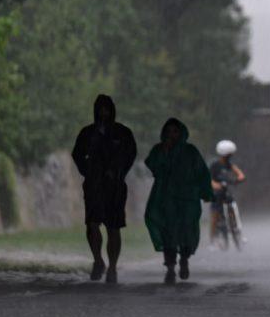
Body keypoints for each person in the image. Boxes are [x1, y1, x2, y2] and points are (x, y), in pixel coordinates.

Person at [71, 94, 137, 284]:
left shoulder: (122, 133)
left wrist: (119, 172)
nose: (103, 113)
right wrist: (89, 172)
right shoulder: (87, 133)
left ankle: (113, 267)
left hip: (114, 187)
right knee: (92, 224)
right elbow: (77, 154)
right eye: (100, 109)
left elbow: (130, 154)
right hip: (93, 186)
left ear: (112, 110)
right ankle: (98, 260)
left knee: (113, 227)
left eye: (106, 108)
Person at [144, 118, 213, 283]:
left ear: (181, 132)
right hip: (165, 198)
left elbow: (202, 172)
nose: (172, 135)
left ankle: (184, 259)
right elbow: (153, 166)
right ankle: (170, 268)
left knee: (187, 231)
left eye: (175, 131)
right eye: (168, 131)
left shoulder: (190, 151)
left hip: (188, 199)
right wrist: (165, 153)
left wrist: (205, 192)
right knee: (168, 232)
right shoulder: (159, 150)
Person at [209, 139, 246, 245]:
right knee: (215, 213)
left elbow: (239, 172)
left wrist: (240, 177)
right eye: (228, 155)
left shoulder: (228, 164)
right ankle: (213, 237)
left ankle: (235, 228)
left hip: (225, 190)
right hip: (216, 192)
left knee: (232, 205)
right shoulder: (215, 165)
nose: (229, 156)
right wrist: (215, 185)